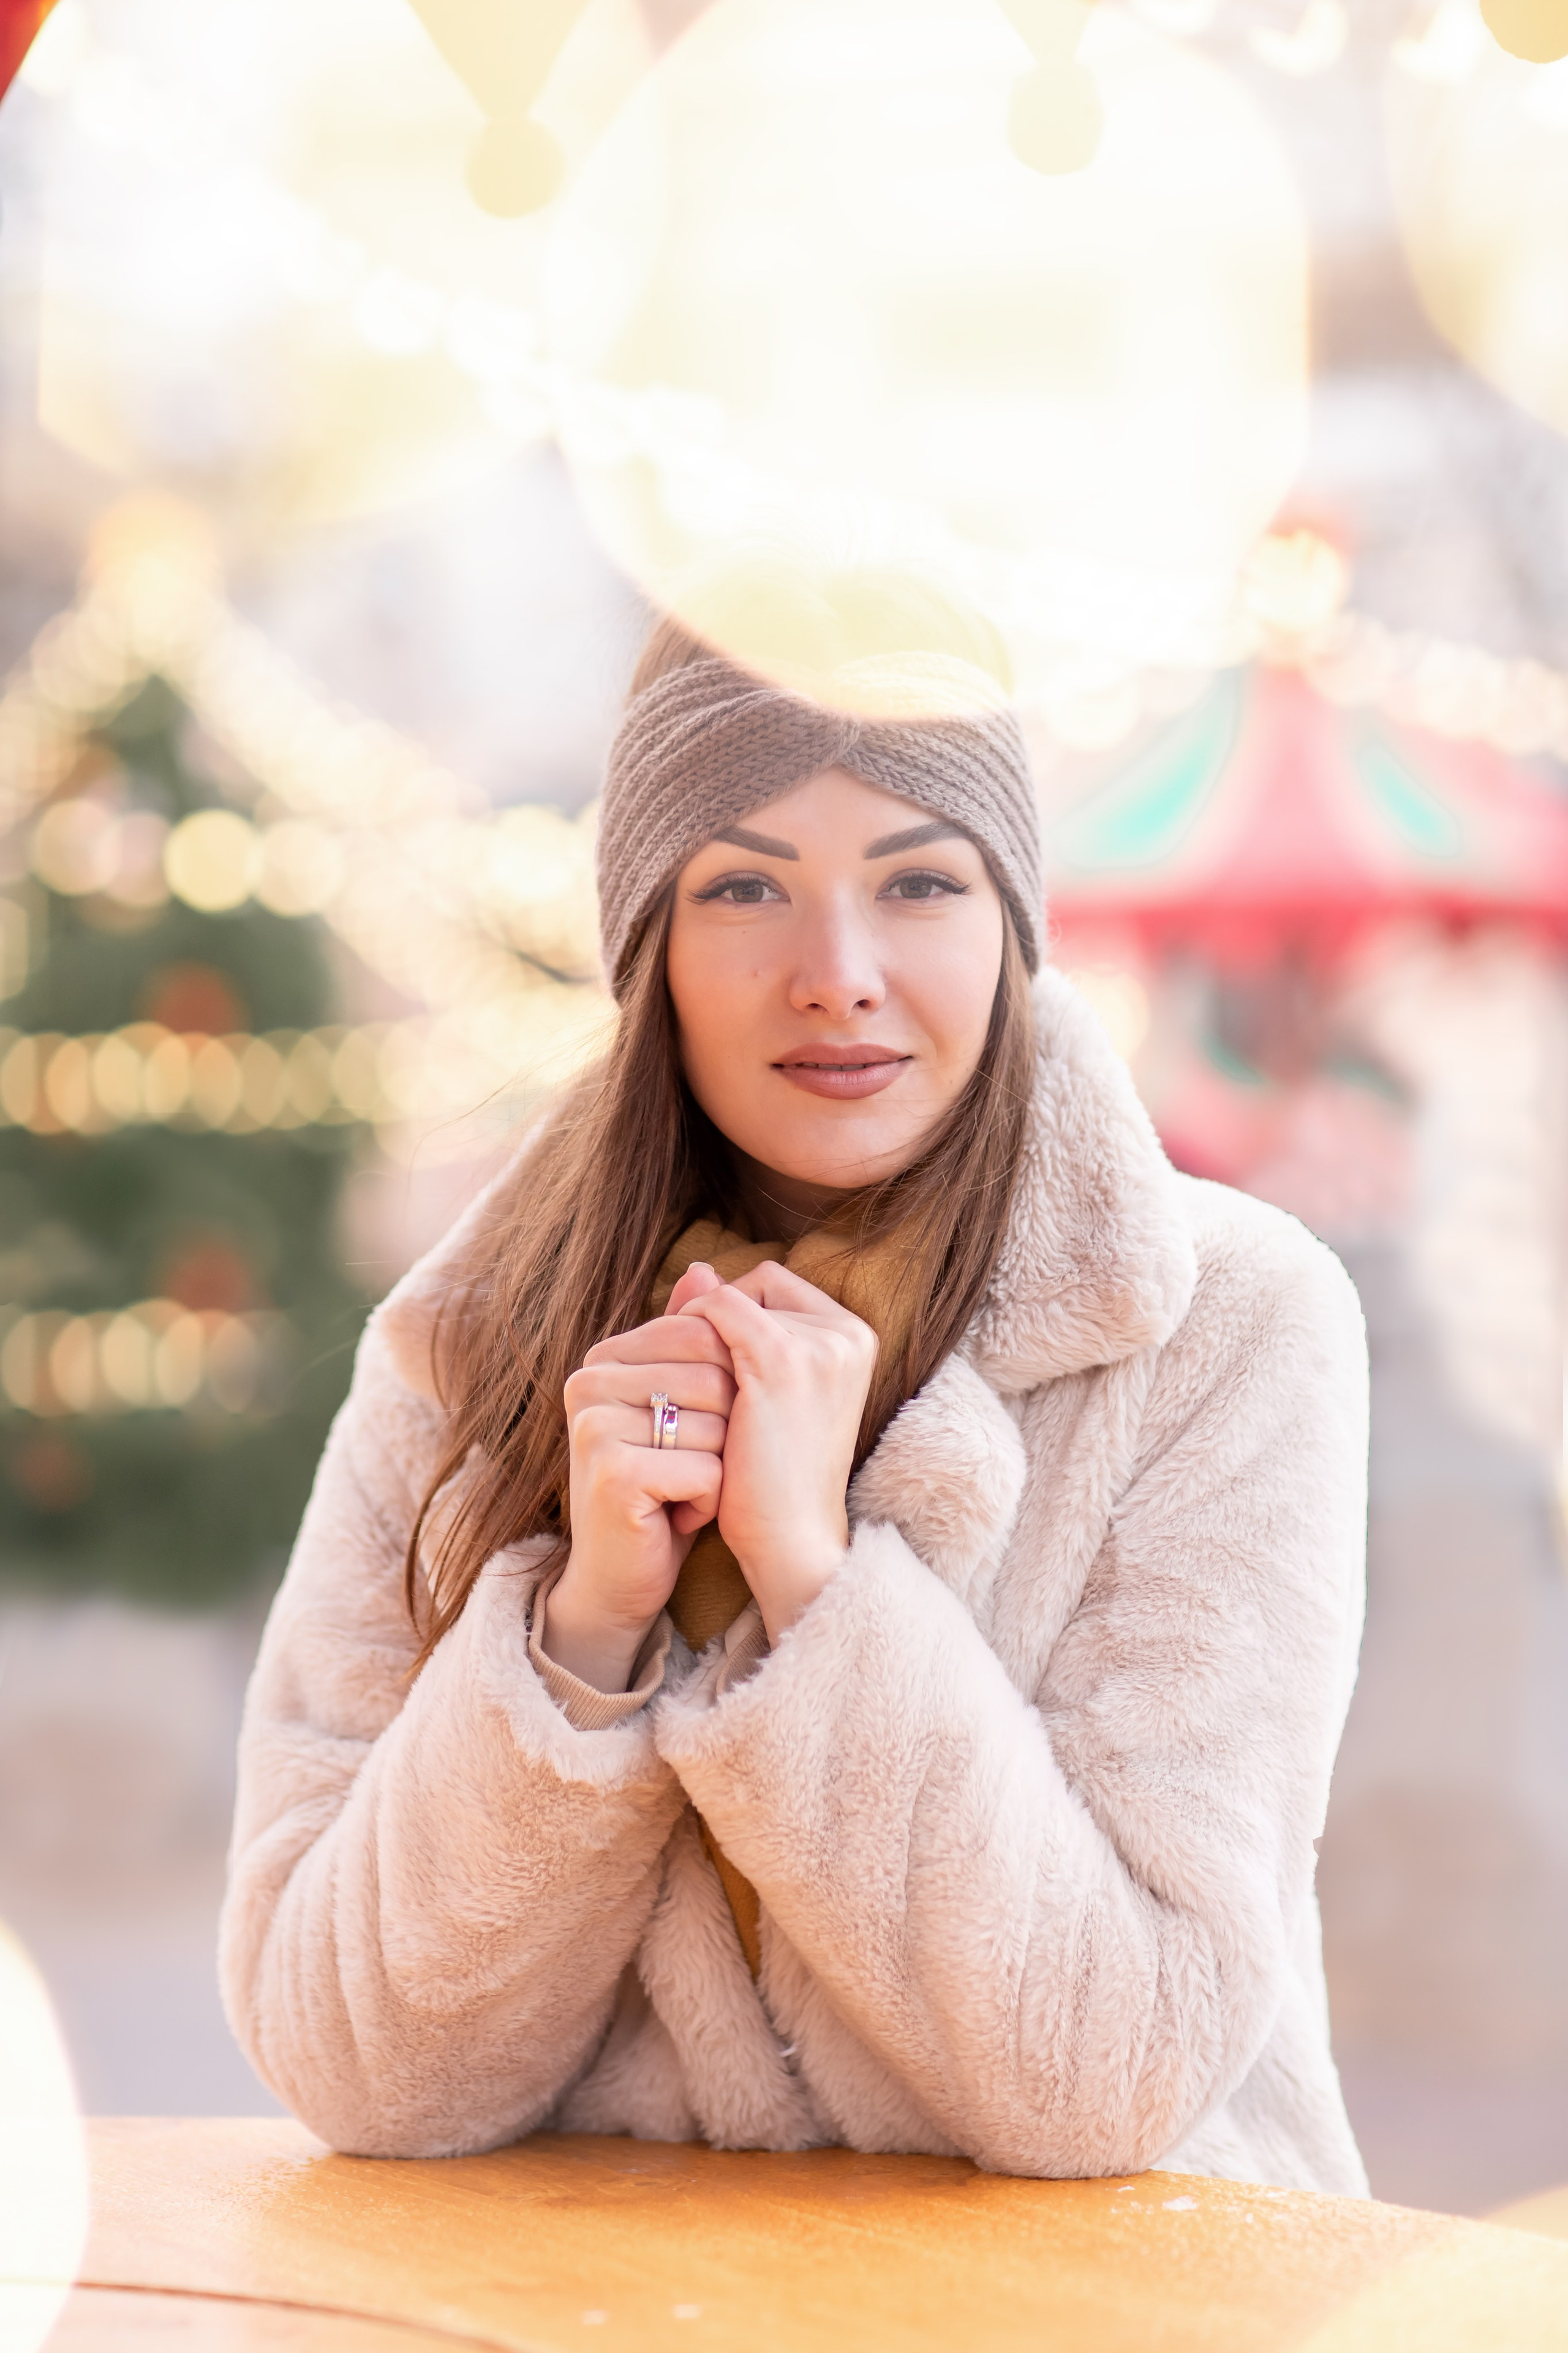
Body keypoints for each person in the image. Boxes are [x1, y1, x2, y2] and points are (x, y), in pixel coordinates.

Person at [220, 597, 1370, 2192]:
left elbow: (1117, 2067)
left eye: (917, 882)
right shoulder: (476, 1348)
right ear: (652, 945)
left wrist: (815, 1584)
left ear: (1007, 924)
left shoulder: (1217, 1324)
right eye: (747, 885)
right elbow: (348, 2061)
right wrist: (583, 1637)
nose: (838, 974)